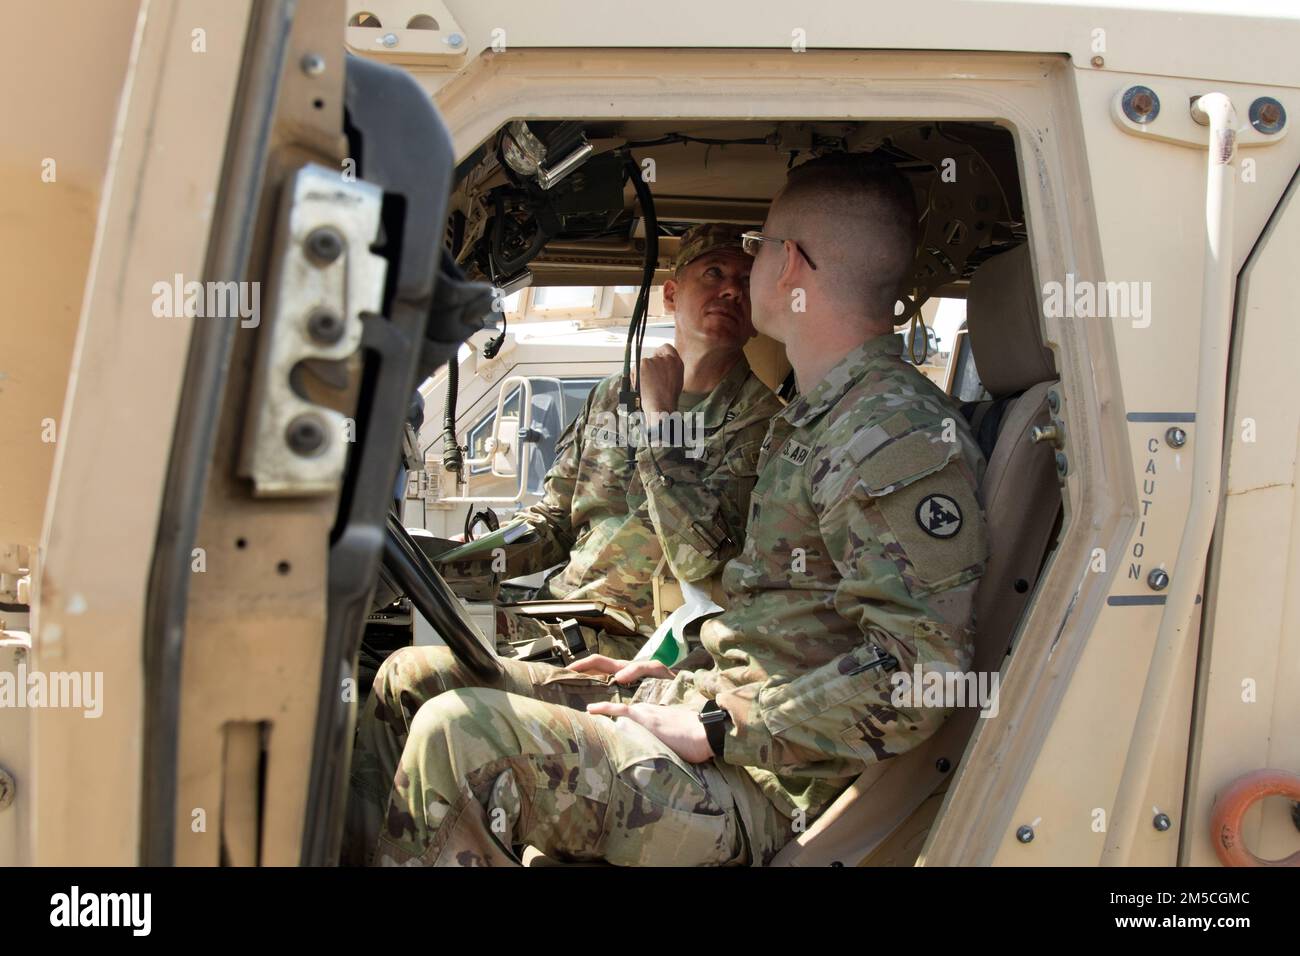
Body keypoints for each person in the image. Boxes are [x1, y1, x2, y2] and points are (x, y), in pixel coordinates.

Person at [347, 155, 989, 867]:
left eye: (758, 249)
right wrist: (679, 683)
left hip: (768, 784)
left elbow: (920, 674)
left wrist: (720, 724)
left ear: (790, 266)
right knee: (417, 681)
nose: (744, 271)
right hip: (722, 714)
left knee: (457, 734)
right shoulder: (821, 419)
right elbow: (776, 632)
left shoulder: (891, 433)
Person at [439, 222, 781, 660]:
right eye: (714, 273)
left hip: (647, 643)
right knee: (410, 627)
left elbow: (706, 559)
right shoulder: (611, 395)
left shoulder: (764, 423)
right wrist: (454, 564)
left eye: (747, 282)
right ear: (672, 294)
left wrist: (661, 421)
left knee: (414, 671)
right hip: (559, 610)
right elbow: (554, 521)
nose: (732, 291)